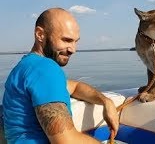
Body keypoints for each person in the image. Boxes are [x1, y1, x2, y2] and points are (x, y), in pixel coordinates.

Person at [2, 8, 119, 143]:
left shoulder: (26, 66)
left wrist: (106, 101)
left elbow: (75, 87)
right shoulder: (45, 69)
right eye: (67, 40)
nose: (73, 49)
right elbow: (66, 142)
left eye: (76, 41)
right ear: (40, 34)